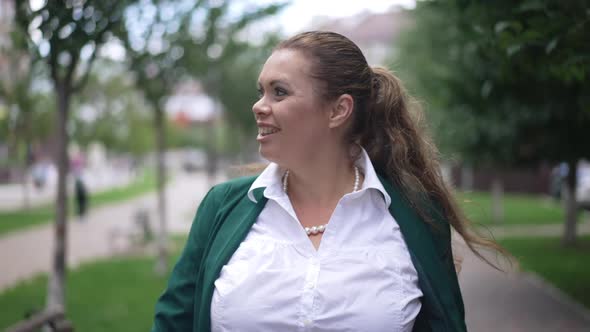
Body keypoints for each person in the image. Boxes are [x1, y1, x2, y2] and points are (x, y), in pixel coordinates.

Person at [151, 31, 504, 332]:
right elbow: (173, 322)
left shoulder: (417, 216)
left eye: (279, 92)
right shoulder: (222, 206)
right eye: (261, 91)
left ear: (338, 110)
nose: (259, 106)